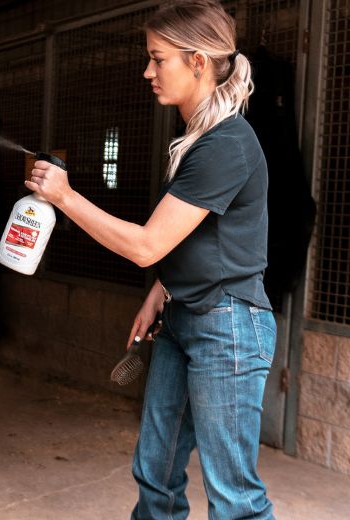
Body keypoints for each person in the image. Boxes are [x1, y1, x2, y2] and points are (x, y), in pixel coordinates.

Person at [25, 1, 276, 518]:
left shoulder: (227, 144)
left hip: (227, 326)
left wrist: (66, 197)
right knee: (155, 475)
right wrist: (159, 293)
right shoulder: (197, 139)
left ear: (199, 62)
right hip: (185, 317)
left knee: (235, 499)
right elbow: (200, 240)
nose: (148, 71)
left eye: (158, 59)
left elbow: (146, 244)